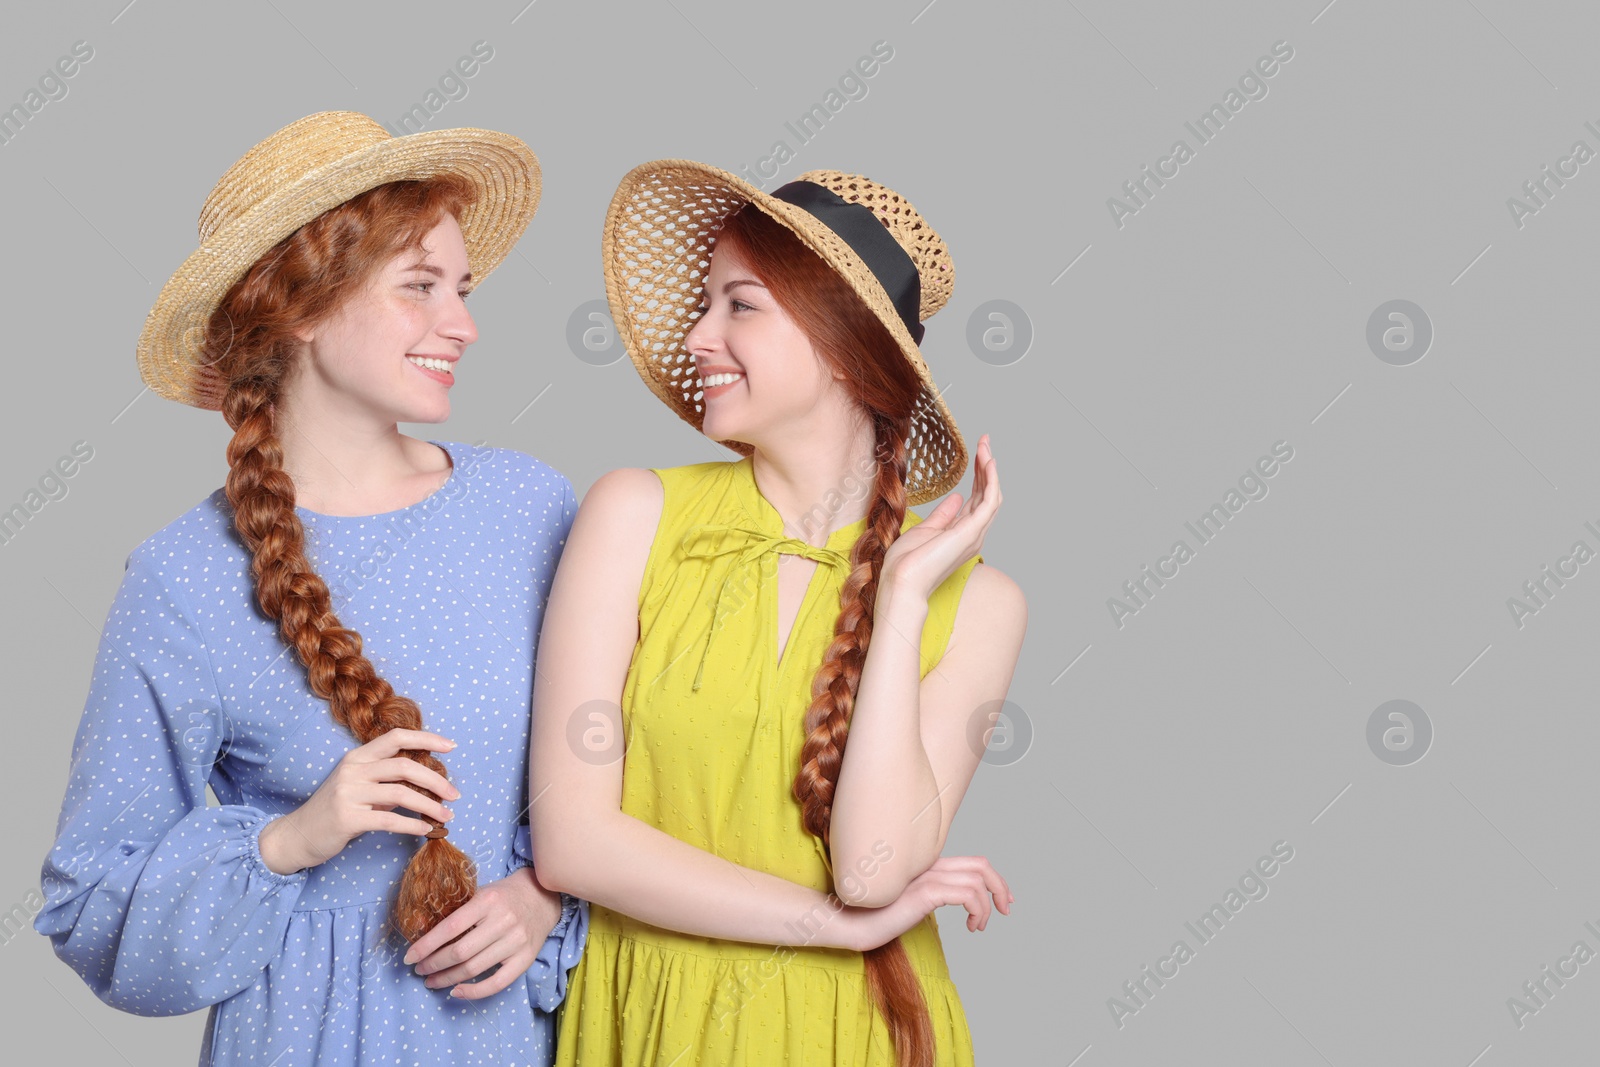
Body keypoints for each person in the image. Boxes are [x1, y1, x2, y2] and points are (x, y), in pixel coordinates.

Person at [34, 110, 587, 1066]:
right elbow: (89, 903)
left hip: (512, 1035)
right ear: (303, 305)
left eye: (462, 287)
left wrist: (547, 892)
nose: (462, 323)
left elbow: (629, 769)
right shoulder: (184, 576)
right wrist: (289, 839)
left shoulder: (530, 508)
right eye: (420, 287)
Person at [530, 162, 1027, 1066]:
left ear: (844, 342)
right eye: (703, 303)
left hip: (864, 1032)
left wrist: (903, 600)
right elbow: (571, 840)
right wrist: (821, 926)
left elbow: (871, 872)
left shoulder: (978, 602)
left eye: (739, 305)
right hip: (655, 1019)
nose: (699, 334)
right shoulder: (633, 515)